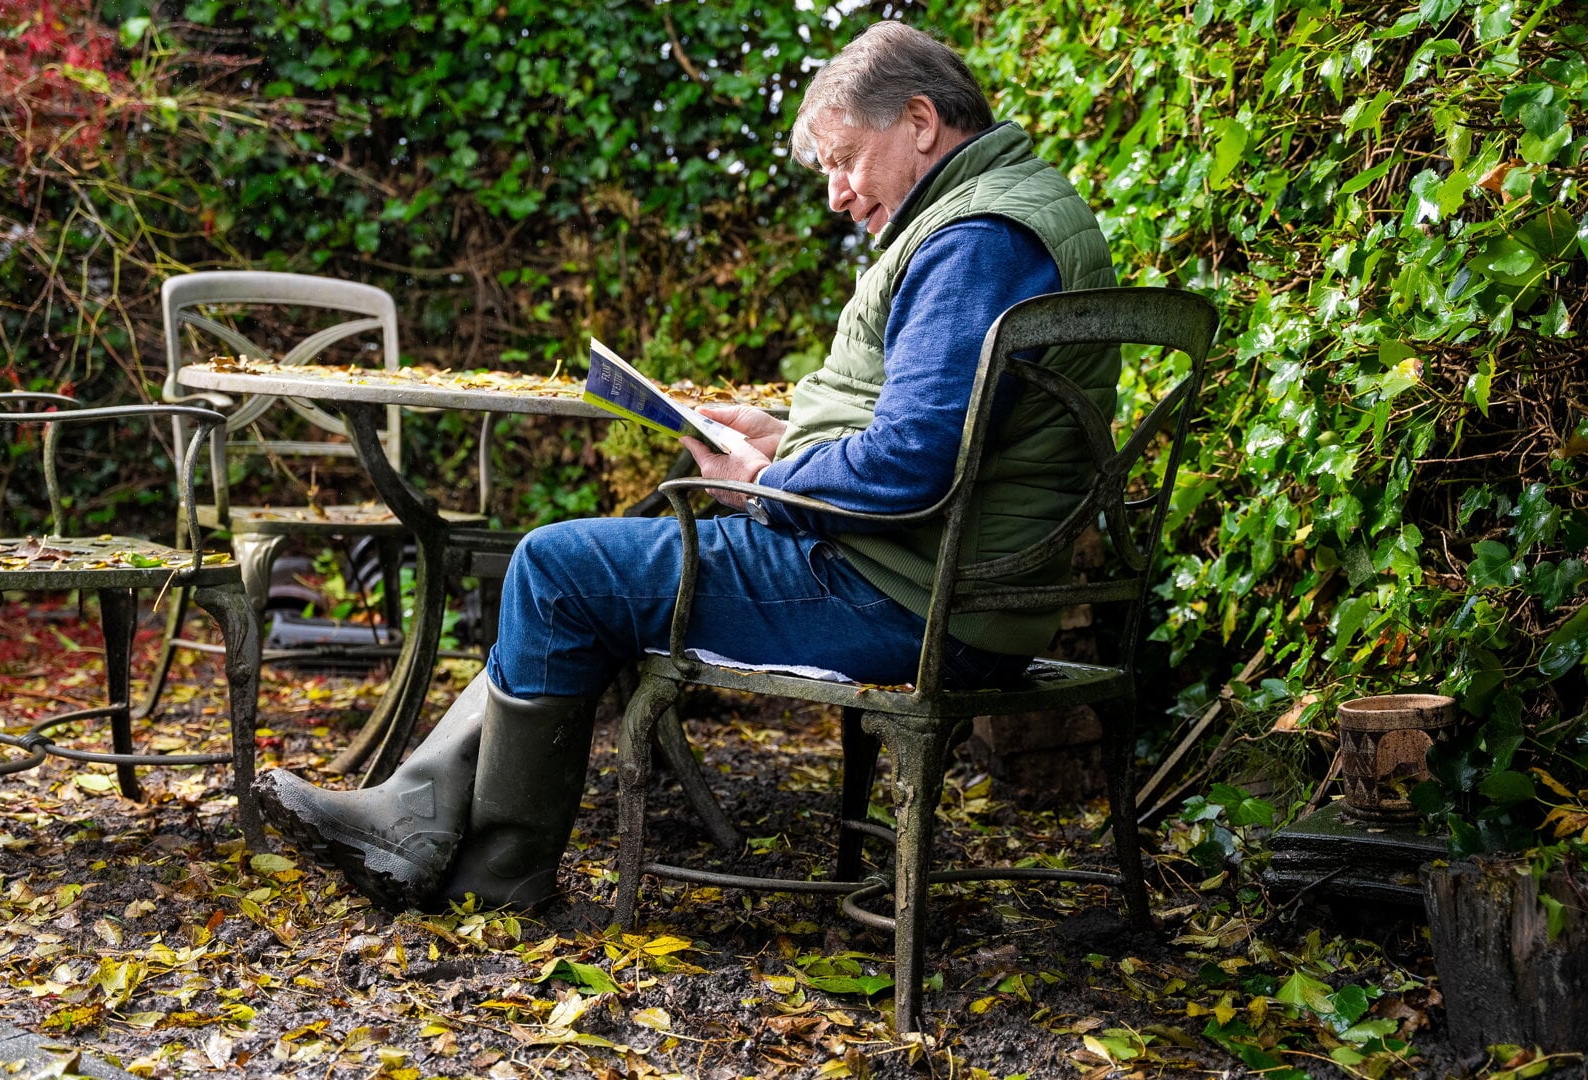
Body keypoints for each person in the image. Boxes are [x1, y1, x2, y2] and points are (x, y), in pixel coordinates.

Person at [252, 20, 1116, 913]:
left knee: (556, 567)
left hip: (908, 593)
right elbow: (949, 433)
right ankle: (414, 813)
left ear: (922, 122)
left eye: (845, 158)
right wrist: (785, 439)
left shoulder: (974, 238)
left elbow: (910, 464)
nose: (835, 193)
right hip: (937, 578)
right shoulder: (1013, 213)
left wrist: (762, 484)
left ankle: (491, 882)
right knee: (591, 568)